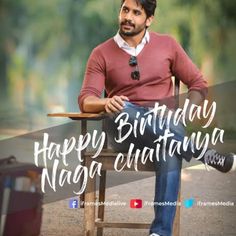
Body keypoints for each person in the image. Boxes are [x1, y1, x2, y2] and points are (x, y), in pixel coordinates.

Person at [78, 0, 236, 235]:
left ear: (149, 19)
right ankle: (201, 152)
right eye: (125, 10)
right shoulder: (101, 53)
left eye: (136, 12)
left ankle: (159, 232)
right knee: (124, 108)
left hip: (164, 129)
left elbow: (198, 84)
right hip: (124, 129)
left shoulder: (168, 45)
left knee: (169, 146)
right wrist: (105, 102)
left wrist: (187, 111)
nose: (128, 17)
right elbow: (86, 100)